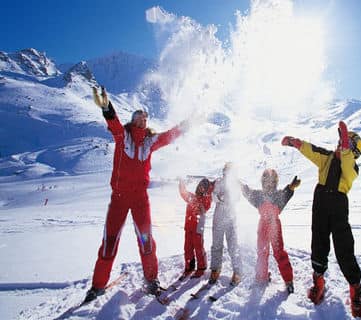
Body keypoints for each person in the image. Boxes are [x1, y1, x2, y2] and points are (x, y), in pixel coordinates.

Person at [85, 86, 188, 302]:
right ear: (132, 121)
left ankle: (151, 280)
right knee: (110, 241)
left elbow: (169, 136)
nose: (143, 120)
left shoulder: (150, 142)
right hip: (119, 200)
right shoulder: (123, 137)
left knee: (146, 241)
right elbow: (113, 124)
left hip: (141, 200)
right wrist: (106, 107)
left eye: (145, 118)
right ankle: (97, 285)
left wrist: (187, 125)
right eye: (139, 117)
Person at [281, 121, 361, 318]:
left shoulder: (352, 166)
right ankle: (318, 281)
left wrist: (345, 149)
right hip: (320, 202)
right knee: (318, 243)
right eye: (340, 142)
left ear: (353, 150)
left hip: (338, 205)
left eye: (345, 143)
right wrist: (295, 142)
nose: (339, 145)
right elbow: (312, 150)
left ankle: (355, 292)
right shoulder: (327, 157)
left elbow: (346, 165)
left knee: (344, 247)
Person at [241, 169, 301, 294]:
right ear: (263, 183)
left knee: (279, 252)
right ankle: (261, 276)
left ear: (275, 183)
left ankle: (288, 280)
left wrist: (291, 187)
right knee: (262, 251)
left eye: (271, 182)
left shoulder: (279, 195)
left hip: (274, 225)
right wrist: (240, 186)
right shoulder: (258, 196)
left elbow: (287, 192)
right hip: (262, 225)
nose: (269, 184)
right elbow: (248, 193)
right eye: (266, 182)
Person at [208, 163, 243, 286]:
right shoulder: (219, 182)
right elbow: (213, 196)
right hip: (218, 217)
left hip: (230, 217)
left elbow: (237, 197)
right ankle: (215, 269)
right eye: (226, 171)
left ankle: (237, 271)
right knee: (216, 244)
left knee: (233, 245)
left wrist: (230, 196)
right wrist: (219, 197)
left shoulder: (236, 184)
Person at [179, 177, 215, 278]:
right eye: (200, 187)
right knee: (187, 247)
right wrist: (182, 184)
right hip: (188, 227)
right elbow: (183, 193)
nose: (201, 189)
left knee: (198, 247)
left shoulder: (206, 199)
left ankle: (202, 267)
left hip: (198, 228)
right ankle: (189, 266)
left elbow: (207, 206)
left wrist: (210, 188)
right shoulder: (192, 197)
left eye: (203, 188)